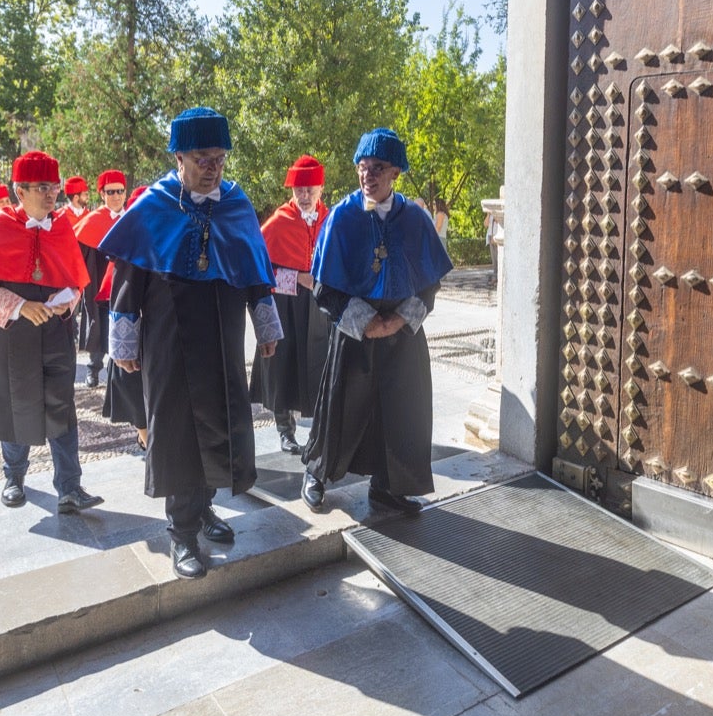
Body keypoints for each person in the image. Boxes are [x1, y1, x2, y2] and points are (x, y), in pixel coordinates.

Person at [100, 107, 283, 580]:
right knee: (180, 431)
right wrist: (122, 340)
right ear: (178, 156)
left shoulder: (236, 204)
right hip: (169, 340)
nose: (212, 167)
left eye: (219, 158)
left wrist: (266, 325)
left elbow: (255, 269)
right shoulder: (154, 205)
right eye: (202, 157)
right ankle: (181, 532)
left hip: (223, 336)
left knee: (220, 421)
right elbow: (128, 276)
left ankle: (204, 510)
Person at [302, 128, 453, 515]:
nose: (368, 175)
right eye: (363, 167)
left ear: (395, 174)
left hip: (401, 335)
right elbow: (325, 287)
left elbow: (430, 283)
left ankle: (389, 487)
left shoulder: (415, 220)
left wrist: (400, 320)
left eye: (378, 168)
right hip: (355, 332)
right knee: (342, 406)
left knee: (402, 412)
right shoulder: (342, 217)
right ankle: (316, 474)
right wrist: (365, 322)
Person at [0, 150, 101, 515]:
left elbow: (76, 281)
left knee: (62, 408)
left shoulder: (64, 226)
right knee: (14, 404)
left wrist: (66, 297)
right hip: (10, 339)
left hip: (56, 334)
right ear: (20, 191)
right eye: (41, 187)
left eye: (54, 186)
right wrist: (21, 307)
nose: (51, 194)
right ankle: (14, 477)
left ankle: (69, 487)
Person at [250, 155, 331, 455]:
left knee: (321, 363)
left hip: (321, 305)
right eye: (299, 190)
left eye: (310, 189)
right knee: (282, 365)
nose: (305, 195)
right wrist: (297, 277)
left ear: (321, 188)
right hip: (285, 303)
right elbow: (261, 267)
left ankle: (321, 426)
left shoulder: (331, 219)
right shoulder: (279, 221)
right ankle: (285, 430)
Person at [100, 187, 150, 451]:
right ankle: (145, 436)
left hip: (158, 332)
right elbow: (122, 295)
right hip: (133, 332)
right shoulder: (133, 241)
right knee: (131, 386)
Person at [73, 169, 128, 388]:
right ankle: (93, 369)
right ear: (102, 194)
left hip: (124, 280)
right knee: (98, 321)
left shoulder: (131, 218)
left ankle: (120, 374)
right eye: (110, 191)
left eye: (120, 191)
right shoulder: (92, 221)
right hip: (98, 279)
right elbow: (77, 254)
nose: (116, 196)